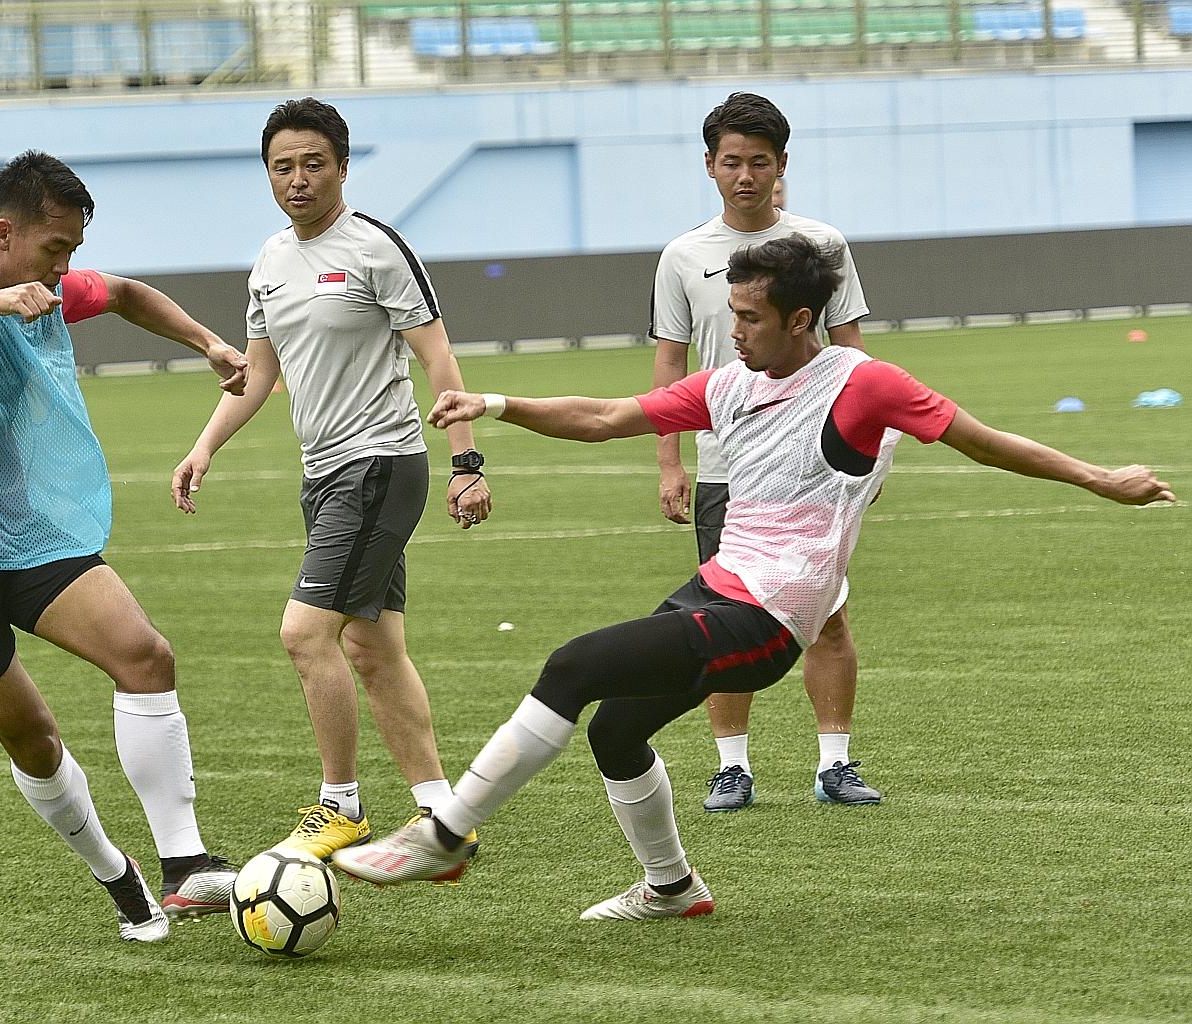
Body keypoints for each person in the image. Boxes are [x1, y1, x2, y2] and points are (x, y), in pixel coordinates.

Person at [333, 234, 1173, 920]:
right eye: (730, 313)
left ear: (801, 318)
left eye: (749, 317)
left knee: (573, 665)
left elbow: (983, 440)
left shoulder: (862, 383)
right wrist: (499, 405)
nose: (733, 330)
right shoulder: (732, 383)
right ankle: (673, 890)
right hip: (717, 591)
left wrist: (1101, 477)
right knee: (615, 733)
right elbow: (607, 417)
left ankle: (445, 835)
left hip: (770, 619)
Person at [0, 150, 249, 943]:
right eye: (55, 248)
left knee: (145, 655)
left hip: (27, 535)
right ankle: (117, 872)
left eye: (72, 249)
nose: (67, 266)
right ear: (4, 233)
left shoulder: (46, 288)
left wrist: (207, 342)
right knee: (34, 741)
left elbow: (129, 293)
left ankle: (187, 866)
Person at [170, 97, 492, 861]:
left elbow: (437, 359)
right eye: (283, 166)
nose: (298, 178)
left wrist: (467, 462)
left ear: (342, 167)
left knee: (305, 633)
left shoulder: (377, 248)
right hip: (324, 476)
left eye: (314, 163)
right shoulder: (271, 261)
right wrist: (204, 446)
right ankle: (444, 812)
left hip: (379, 464)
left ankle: (339, 804)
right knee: (375, 649)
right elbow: (258, 374)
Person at [651, 91, 881, 811]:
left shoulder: (824, 246)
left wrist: (863, 453)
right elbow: (670, 366)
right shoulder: (683, 256)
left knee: (830, 612)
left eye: (758, 161)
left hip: (814, 469)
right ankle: (732, 767)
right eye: (730, 162)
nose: (744, 175)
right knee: (726, 620)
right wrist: (670, 461)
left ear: (782, 165)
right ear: (709, 167)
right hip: (728, 470)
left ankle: (835, 763)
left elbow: (853, 359)